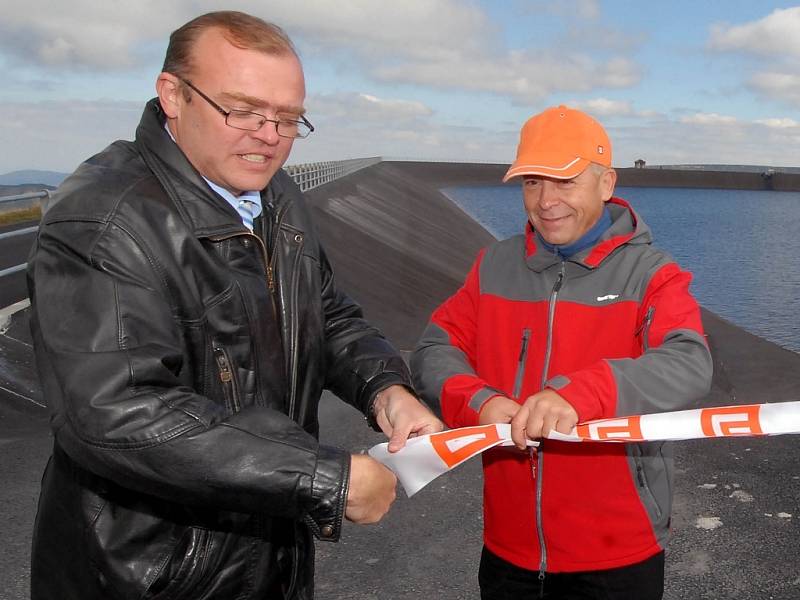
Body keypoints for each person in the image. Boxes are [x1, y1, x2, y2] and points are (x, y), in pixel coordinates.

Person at [27, 11, 442, 600]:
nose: (269, 136)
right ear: (172, 95)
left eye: (288, 118)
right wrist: (325, 478)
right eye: (243, 110)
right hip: (153, 572)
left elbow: (325, 313)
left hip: (264, 547)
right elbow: (117, 411)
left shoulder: (274, 195)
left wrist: (385, 390)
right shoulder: (104, 221)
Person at [411, 105, 713, 599]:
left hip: (617, 550)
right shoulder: (492, 265)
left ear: (606, 182)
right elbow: (434, 348)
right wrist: (479, 400)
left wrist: (579, 394)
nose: (546, 200)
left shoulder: (653, 274)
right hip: (510, 551)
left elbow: (688, 361)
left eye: (565, 181)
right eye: (532, 182)